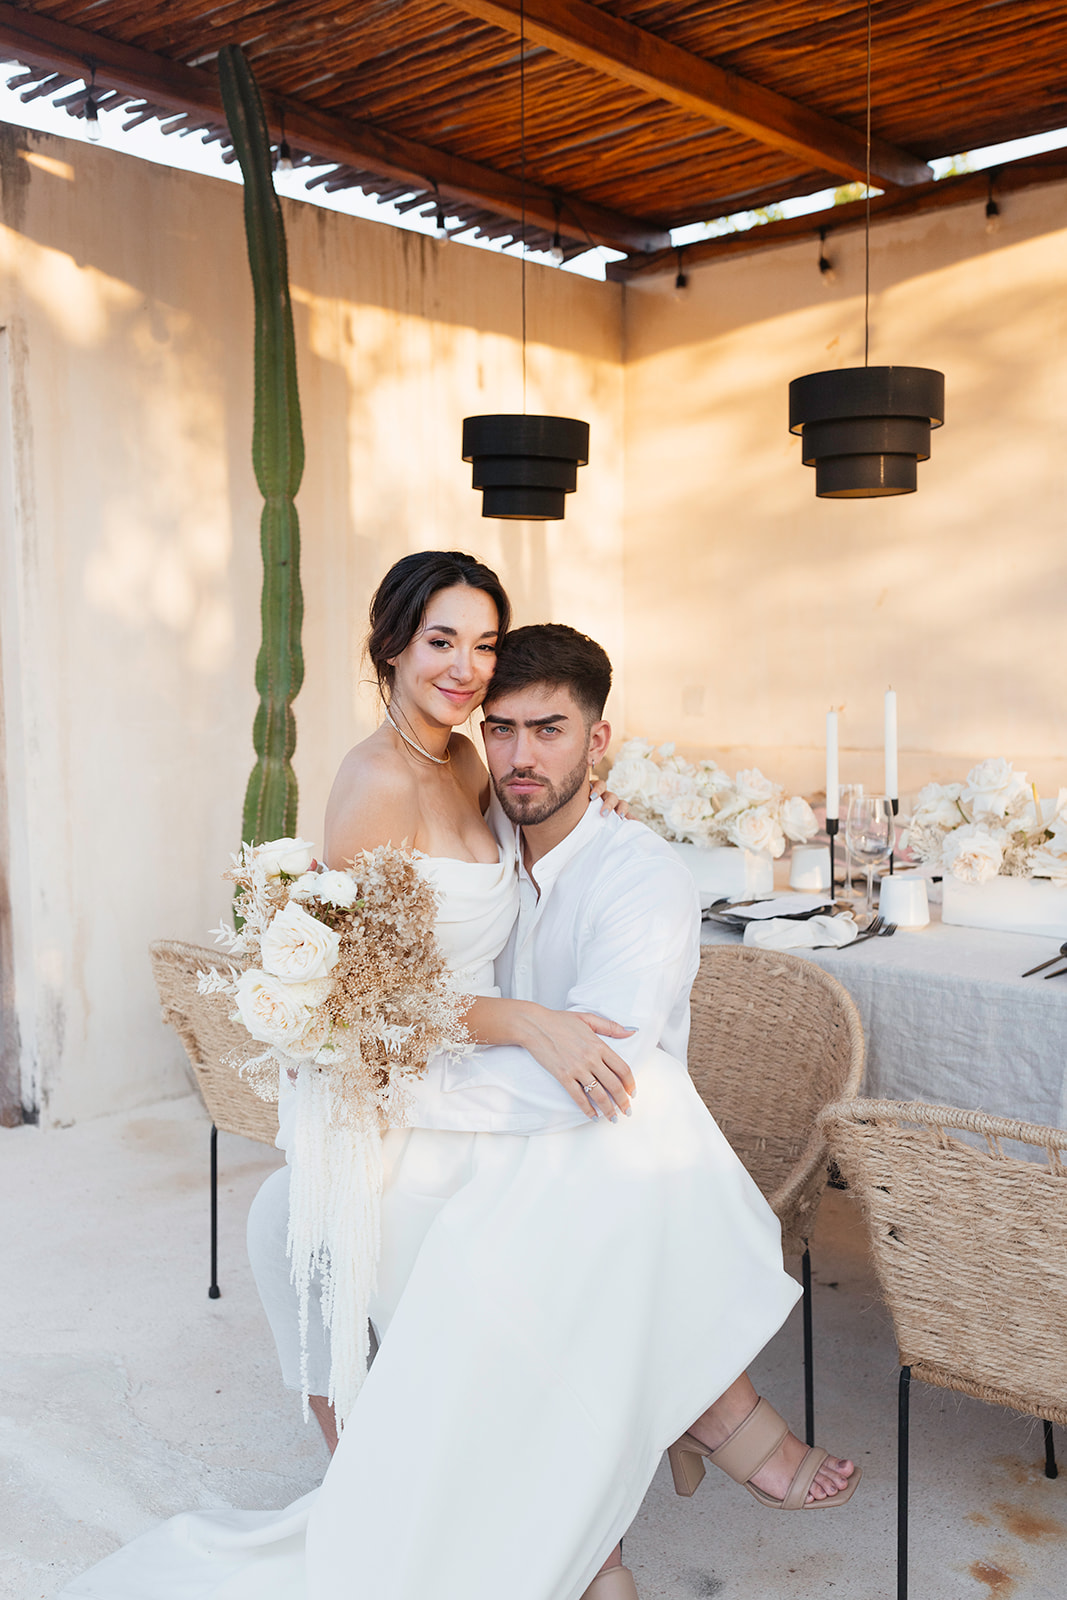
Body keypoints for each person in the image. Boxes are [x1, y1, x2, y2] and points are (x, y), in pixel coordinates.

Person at [61, 560, 856, 1600]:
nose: (467, 670)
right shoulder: (374, 780)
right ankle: (578, 1469)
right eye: (443, 642)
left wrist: (563, 812)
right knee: (584, 1135)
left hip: (476, 1077)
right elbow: (368, 991)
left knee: (603, 1137)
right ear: (390, 644)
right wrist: (523, 1022)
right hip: (395, 1075)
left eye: (483, 647)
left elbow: (538, 878)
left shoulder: (484, 775)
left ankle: (595, 1501)